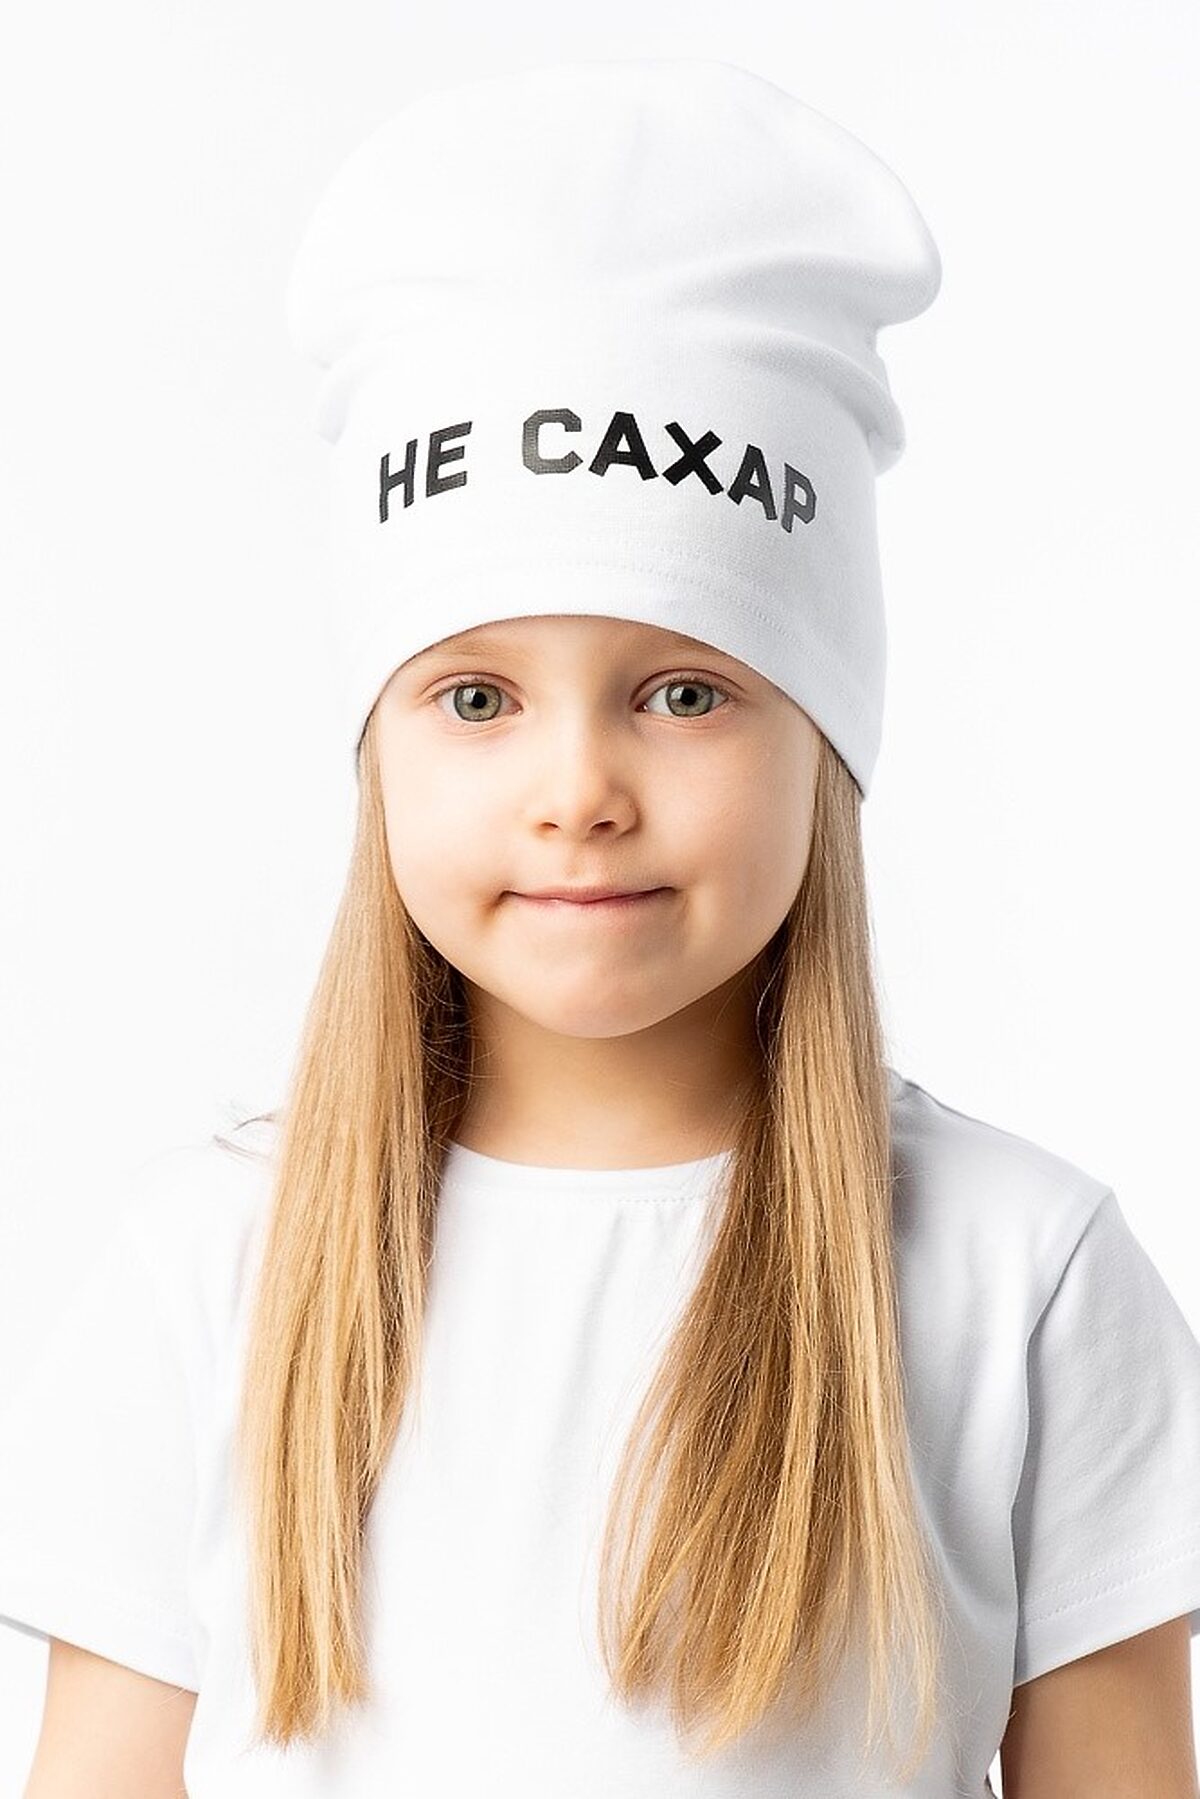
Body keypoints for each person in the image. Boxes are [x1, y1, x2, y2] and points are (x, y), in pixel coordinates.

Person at [2, 56, 1199, 1799]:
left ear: (826, 742)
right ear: (379, 754)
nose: (578, 790)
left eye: (684, 691)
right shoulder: (207, 1275)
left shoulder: (1023, 1273)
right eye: (478, 697)